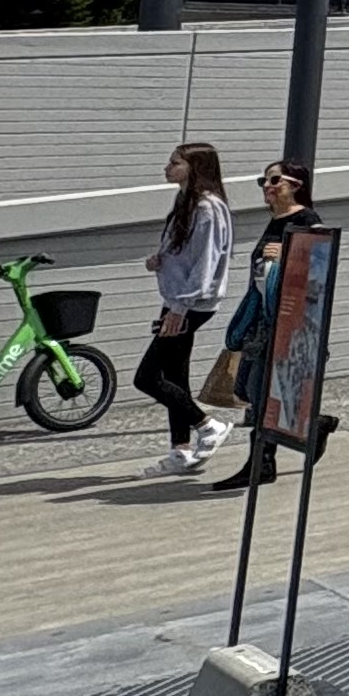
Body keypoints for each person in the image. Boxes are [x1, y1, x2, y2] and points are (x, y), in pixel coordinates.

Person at [210, 160, 319, 491]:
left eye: (275, 180)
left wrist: (288, 253)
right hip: (262, 318)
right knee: (245, 389)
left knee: (259, 392)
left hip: (286, 321)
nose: (267, 186)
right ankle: (316, 427)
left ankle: (261, 463)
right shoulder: (276, 220)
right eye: (263, 180)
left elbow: (317, 271)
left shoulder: (308, 221)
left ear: (296, 185)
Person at [140, 144, 238, 474]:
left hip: (189, 305)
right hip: (178, 301)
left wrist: (180, 308)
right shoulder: (185, 201)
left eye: (175, 163)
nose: (167, 167)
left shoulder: (208, 208)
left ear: (194, 168)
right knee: (174, 376)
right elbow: (186, 252)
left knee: (148, 378)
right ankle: (180, 452)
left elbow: (207, 262)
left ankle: (208, 426)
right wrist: (160, 260)